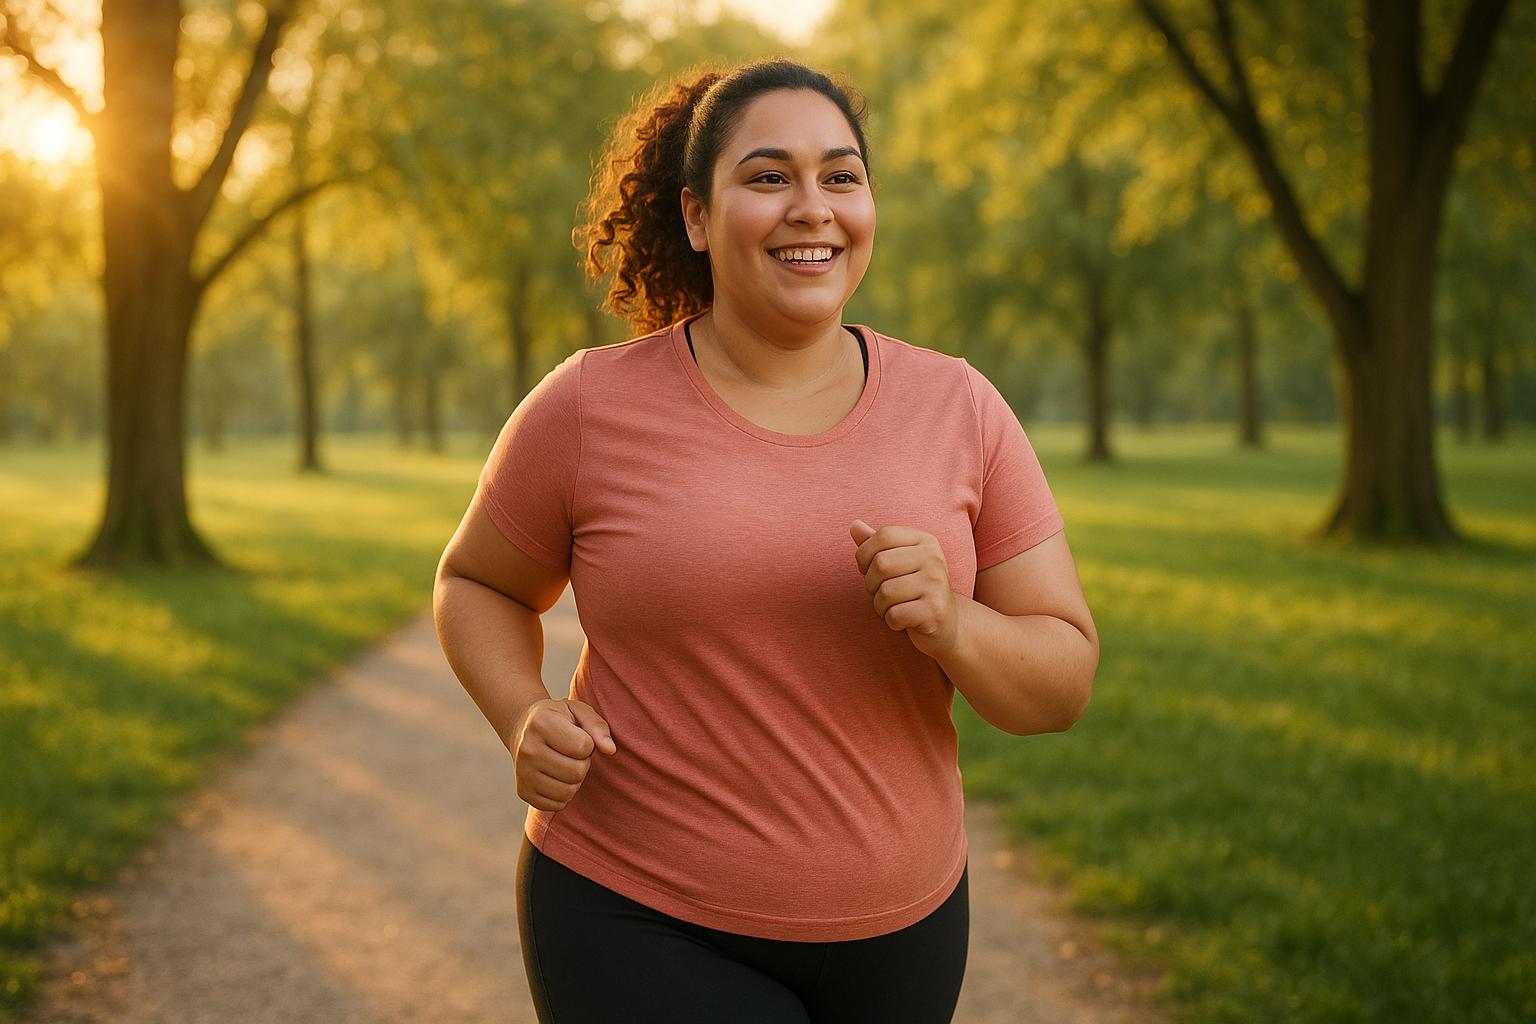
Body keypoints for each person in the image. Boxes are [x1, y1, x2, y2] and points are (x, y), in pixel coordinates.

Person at [433, 57, 1099, 1024]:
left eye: (840, 176)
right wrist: (521, 712)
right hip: (635, 915)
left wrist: (954, 623)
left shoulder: (961, 407)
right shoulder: (589, 406)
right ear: (697, 216)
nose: (812, 207)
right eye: (768, 176)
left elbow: (1063, 683)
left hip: (904, 935)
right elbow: (475, 583)